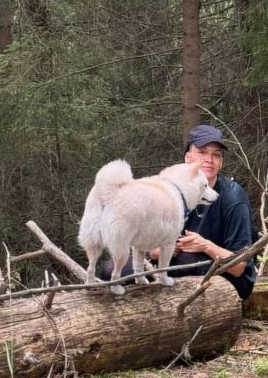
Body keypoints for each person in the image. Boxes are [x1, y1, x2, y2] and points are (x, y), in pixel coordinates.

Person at [101, 124, 257, 299]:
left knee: (186, 263)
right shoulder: (170, 190)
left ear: (221, 162)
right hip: (174, 265)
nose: (209, 159)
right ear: (187, 158)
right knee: (111, 269)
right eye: (202, 152)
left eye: (216, 155)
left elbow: (239, 267)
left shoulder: (233, 198)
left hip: (228, 280)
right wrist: (155, 250)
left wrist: (205, 246)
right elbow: (147, 246)